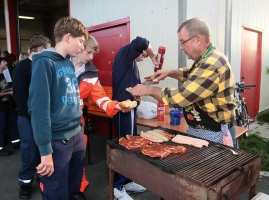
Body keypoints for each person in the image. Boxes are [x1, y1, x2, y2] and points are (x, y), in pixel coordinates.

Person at [131, 18, 235, 147]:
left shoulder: (212, 63)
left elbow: (181, 98)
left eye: (183, 42)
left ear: (198, 39)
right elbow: (191, 74)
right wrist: (170, 72)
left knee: (206, 167)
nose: (181, 47)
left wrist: (147, 90)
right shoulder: (207, 57)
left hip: (213, 131)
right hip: (199, 128)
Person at [27, 16, 89, 199]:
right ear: (68, 37)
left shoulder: (68, 62)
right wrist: (45, 151)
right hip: (58, 142)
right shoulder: (44, 63)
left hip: (76, 134)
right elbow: (39, 110)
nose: (82, 47)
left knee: (73, 188)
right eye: (81, 41)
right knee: (56, 193)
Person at [71, 35, 130, 200]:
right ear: (78, 48)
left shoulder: (90, 74)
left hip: (76, 123)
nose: (91, 58)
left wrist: (116, 105)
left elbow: (101, 98)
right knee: (57, 162)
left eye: (93, 54)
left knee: (77, 159)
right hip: (55, 124)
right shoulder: (58, 65)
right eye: (89, 52)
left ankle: (78, 190)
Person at [112, 36, 159, 200]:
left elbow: (135, 89)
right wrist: (153, 55)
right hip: (122, 110)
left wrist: (150, 83)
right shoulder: (124, 54)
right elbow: (141, 41)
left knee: (131, 145)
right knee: (124, 147)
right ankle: (117, 187)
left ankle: (127, 181)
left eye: (145, 57)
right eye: (143, 55)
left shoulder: (130, 65)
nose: (142, 58)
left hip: (130, 109)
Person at [13, 33, 51, 199]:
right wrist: (32, 116)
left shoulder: (43, 66)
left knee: (44, 150)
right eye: (48, 50)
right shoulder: (22, 67)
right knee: (29, 152)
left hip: (43, 118)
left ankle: (42, 179)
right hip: (27, 118)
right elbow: (20, 97)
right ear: (41, 49)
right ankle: (25, 183)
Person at [0, 55, 20, 156]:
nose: (6, 63)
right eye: (3, 61)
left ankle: (17, 143)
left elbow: (1, 89)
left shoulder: (1, 75)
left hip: (6, 106)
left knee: (13, 124)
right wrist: (8, 93)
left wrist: (9, 90)